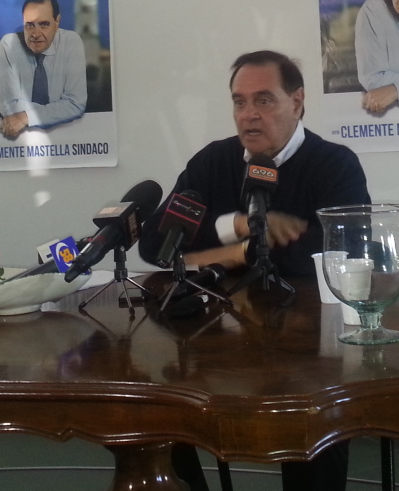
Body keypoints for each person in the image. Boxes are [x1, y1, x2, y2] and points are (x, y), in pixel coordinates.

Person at [139, 50, 369, 491]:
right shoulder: (213, 162)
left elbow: (342, 253)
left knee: (315, 422)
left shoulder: (334, 164)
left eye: (264, 100)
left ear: (297, 102)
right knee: (164, 402)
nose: (249, 115)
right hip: (218, 345)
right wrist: (239, 232)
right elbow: (156, 245)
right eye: (239, 102)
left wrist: (217, 253)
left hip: (309, 348)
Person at [0, 0, 87, 138]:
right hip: (20, 139)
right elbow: (7, 104)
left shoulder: (71, 42)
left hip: (68, 136)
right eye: (29, 25)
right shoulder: (8, 45)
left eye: (44, 25)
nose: (36, 34)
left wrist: (25, 117)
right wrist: (58, 110)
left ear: (57, 22)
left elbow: (75, 104)